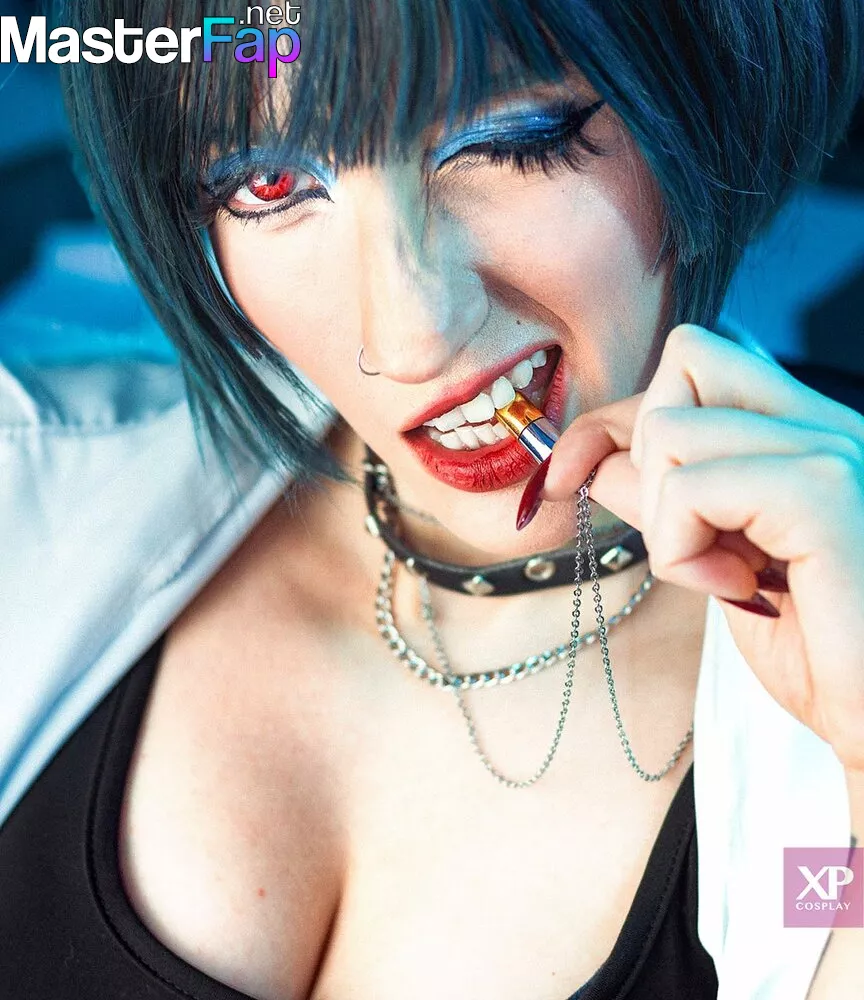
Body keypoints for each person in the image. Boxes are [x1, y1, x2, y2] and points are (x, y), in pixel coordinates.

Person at [2, 0, 864, 997]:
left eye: (509, 138)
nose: (412, 337)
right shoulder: (30, 486)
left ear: (699, 84)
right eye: (270, 182)